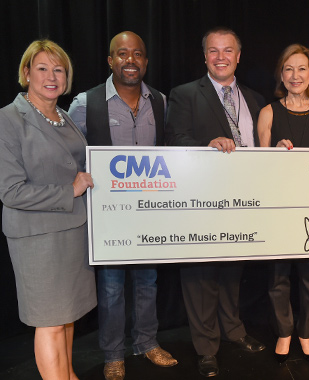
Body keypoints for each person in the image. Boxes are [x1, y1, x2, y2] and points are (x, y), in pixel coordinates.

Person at [68, 31, 177, 380]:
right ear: (110, 60)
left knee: (148, 281)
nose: (131, 60)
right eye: (123, 54)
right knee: (112, 287)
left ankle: (146, 343)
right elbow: (71, 157)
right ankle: (114, 354)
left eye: (138, 54)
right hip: (108, 217)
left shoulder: (159, 101)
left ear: (145, 61)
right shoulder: (86, 103)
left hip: (148, 215)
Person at [165, 26, 266, 378]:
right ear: (204, 56)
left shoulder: (255, 99)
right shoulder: (184, 94)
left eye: (227, 51)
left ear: (239, 56)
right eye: (213, 51)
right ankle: (206, 348)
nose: (220, 57)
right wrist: (207, 144)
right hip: (201, 202)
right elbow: (176, 140)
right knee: (200, 277)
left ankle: (234, 331)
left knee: (232, 272)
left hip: (243, 201)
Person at [0, 39, 96, 380]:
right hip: (38, 239)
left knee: (66, 319)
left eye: (59, 70)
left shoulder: (64, 116)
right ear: (26, 73)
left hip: (72, 233)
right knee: (51, 323)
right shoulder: (9, 119)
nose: (51, 76)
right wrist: (69, 189)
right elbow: (11, 192)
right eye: (42, 68)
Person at [258, 43, 309, 365]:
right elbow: (258, 167)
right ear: (281, 74)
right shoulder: (268, 112)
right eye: (288, 69)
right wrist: (274, 152)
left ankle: (306, 332)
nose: (295, 75)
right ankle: (284, 332)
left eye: (302, 68)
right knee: (278, 276)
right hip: (278, 207)